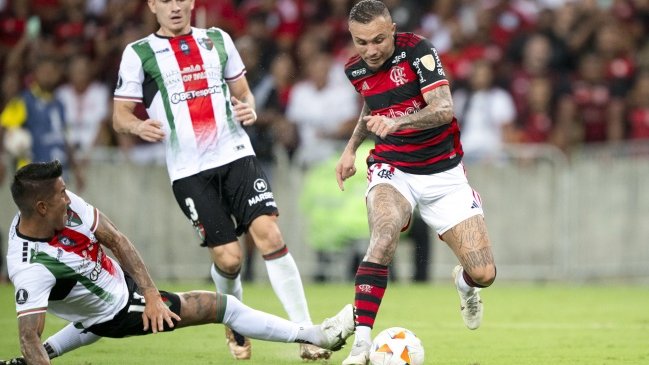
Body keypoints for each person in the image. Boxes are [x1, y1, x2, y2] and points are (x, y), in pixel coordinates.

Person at [111, 0, 328, 360]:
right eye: (165, 0)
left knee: (270, 235)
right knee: (230, 260)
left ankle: (307, 334)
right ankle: (236, 323)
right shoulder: (139, 53)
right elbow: (119, 115)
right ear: (152, 5)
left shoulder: (218, 39)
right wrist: (137, 125)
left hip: (236, 154)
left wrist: (249, 105)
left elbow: (243, 92)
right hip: (189, 171)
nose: (175, 6)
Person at [1, 160, 355, 365]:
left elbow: (116, 239)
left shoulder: (63, 205)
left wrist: (151, 291)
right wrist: (147, 300)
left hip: (114, 289)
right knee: (223, 306)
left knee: (89, 319)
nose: (68, 196)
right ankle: (317, 336)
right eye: (61, 194)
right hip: (118, 309)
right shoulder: (31, 268)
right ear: (42, 208)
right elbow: (27, 336)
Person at [335, 2, 497, 364]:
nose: (371, 50)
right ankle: (361, 345)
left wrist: (397, 123)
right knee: (384, 235)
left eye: (379, 39)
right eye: (362, 43)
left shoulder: (418, 51)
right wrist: (350, 150)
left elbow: (443, 109)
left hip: (444, 173)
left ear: (392, 29)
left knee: (484, 273)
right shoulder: (355, 69)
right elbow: (370, 106)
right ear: (352, 38)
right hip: (393, 168)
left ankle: (465, 286)